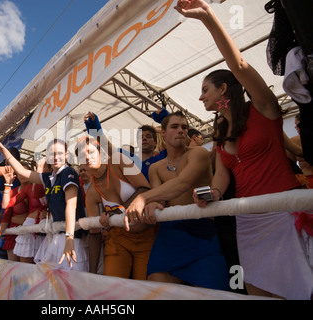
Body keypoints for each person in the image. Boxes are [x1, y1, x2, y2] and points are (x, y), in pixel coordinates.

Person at [176, 0, 312, 299]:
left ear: (223, 89)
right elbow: (223, 177)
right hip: (247, 218)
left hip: (283, 213)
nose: (200, 98)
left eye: (205, 90)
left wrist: (207, 17)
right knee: (256, 291)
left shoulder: (264, 108)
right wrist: (212, 194)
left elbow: (238, 65)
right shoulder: (220, 133)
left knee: (295, 290)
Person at [125, 111, 229, 290]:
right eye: (174, 127)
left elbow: (183, 183)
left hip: (202, 231)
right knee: (158, 289)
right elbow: (161, 198)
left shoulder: (199, 153)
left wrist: (144, 198)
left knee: (214, 293)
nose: (181, 131)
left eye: (184, 127)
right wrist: (153, 205)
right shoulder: (155, 168)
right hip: (170, 233)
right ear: (163, 133)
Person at [0, 136, 89, 271]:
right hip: (57, 236)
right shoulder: (49, 177)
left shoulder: (68, 172)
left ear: (66, 155)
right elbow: (22, 171)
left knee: (69, 285)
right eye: (52, 154)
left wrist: (69, 238)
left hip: (72, 238)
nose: (56, 157)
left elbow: (71, 205)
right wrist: (2, 150)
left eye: (60, 153)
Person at [76, 135, 157, 280]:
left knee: (145, 290)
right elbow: (94, 233)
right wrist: (92, 274)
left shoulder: (118, 161)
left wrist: (115, 212)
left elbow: (145, 188)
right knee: (113, 287)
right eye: (82, 155)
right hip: (118, 239)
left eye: (91, 152)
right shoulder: (91, 194)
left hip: (147, 235)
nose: (87, 157)